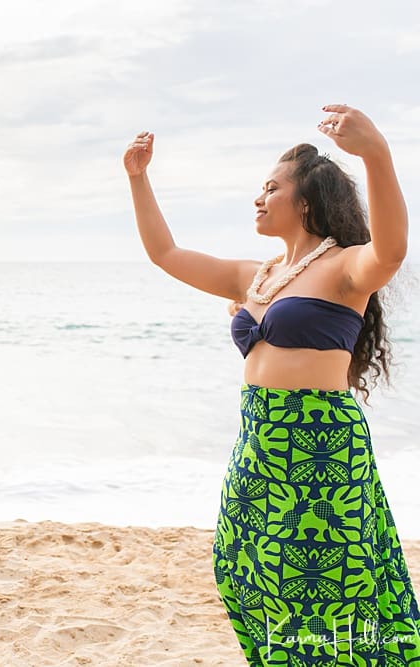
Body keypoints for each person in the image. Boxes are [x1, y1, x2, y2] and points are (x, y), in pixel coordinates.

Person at [124, 105, 420, 663]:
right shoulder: (253, 275)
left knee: (335, 589)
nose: (259, 199)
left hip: (322, 451)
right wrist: (138, 178)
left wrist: (376, 154)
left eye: (270, 188)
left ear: (305, 201)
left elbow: (393, 250)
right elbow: (166, 254)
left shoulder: (346, 268)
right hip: (259, 447)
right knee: (242, 569)